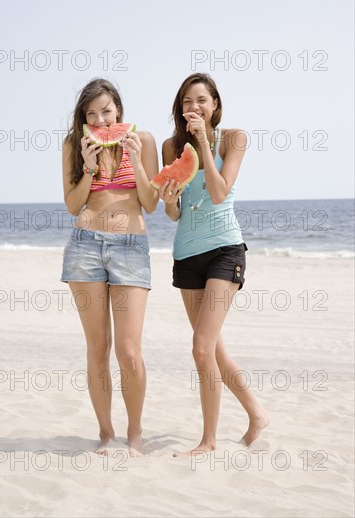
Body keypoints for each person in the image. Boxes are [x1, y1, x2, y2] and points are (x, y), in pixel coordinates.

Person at [159, 73, 269, 456]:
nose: (194, 107)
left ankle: (208, 441)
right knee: (213, 350)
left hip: (225, 251)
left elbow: (220, 193)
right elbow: (172, 213)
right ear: (180, 108)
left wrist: (204, 142)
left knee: (201, 347)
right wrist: (169, 198)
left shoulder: (234, 138)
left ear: (215, 105)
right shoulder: (172, 145)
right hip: (186, 256)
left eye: (201, 100)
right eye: (187, 102)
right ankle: (256, 414)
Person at [61, 78, 159, 457]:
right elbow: (72, 204)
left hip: (131, 246)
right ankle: (105, 433)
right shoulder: (75, 143)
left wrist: (135, 160)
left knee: (129, 351)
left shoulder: (144, 140)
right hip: (85, 246)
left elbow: (150, 203)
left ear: (118, 109)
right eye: (91, 114)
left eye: (106, 111)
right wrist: (87, 168)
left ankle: (134, 434)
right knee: (98, 346)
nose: (100, 120)